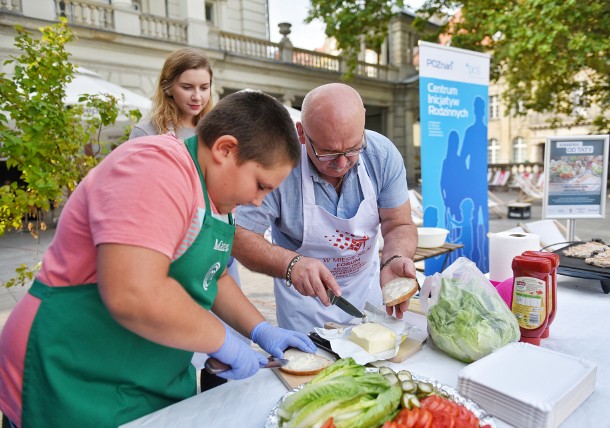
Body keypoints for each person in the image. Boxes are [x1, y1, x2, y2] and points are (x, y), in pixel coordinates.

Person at [0, 89, 316, 428]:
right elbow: (134, 291)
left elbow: (215, 275)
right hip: (69, 372)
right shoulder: (155, 167)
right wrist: (223, 341)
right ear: (225, 149)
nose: (258, 202)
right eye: (260, 185)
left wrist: (260, 329)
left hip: (145, 378)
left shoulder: (218, 198)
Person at [233, 83, 418, 334]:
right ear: (301, 133)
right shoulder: (278, 164)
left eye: (353, 149)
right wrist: (291, 264)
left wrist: (396, 257)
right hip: (305, 308)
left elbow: (398, 223)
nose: (342, 163)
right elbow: (240, 234)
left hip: (367, 292)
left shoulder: (382, 155)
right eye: (327, 152)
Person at [128, 48, 241, 391]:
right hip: (175, 251)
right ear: (168, 87)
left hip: (217, 242)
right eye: (188, 87)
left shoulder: (216, 128)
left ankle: (216, 401)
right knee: (177, 336)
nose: (197, 96)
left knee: (225, 342)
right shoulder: (147, 132)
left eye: (204, 87)